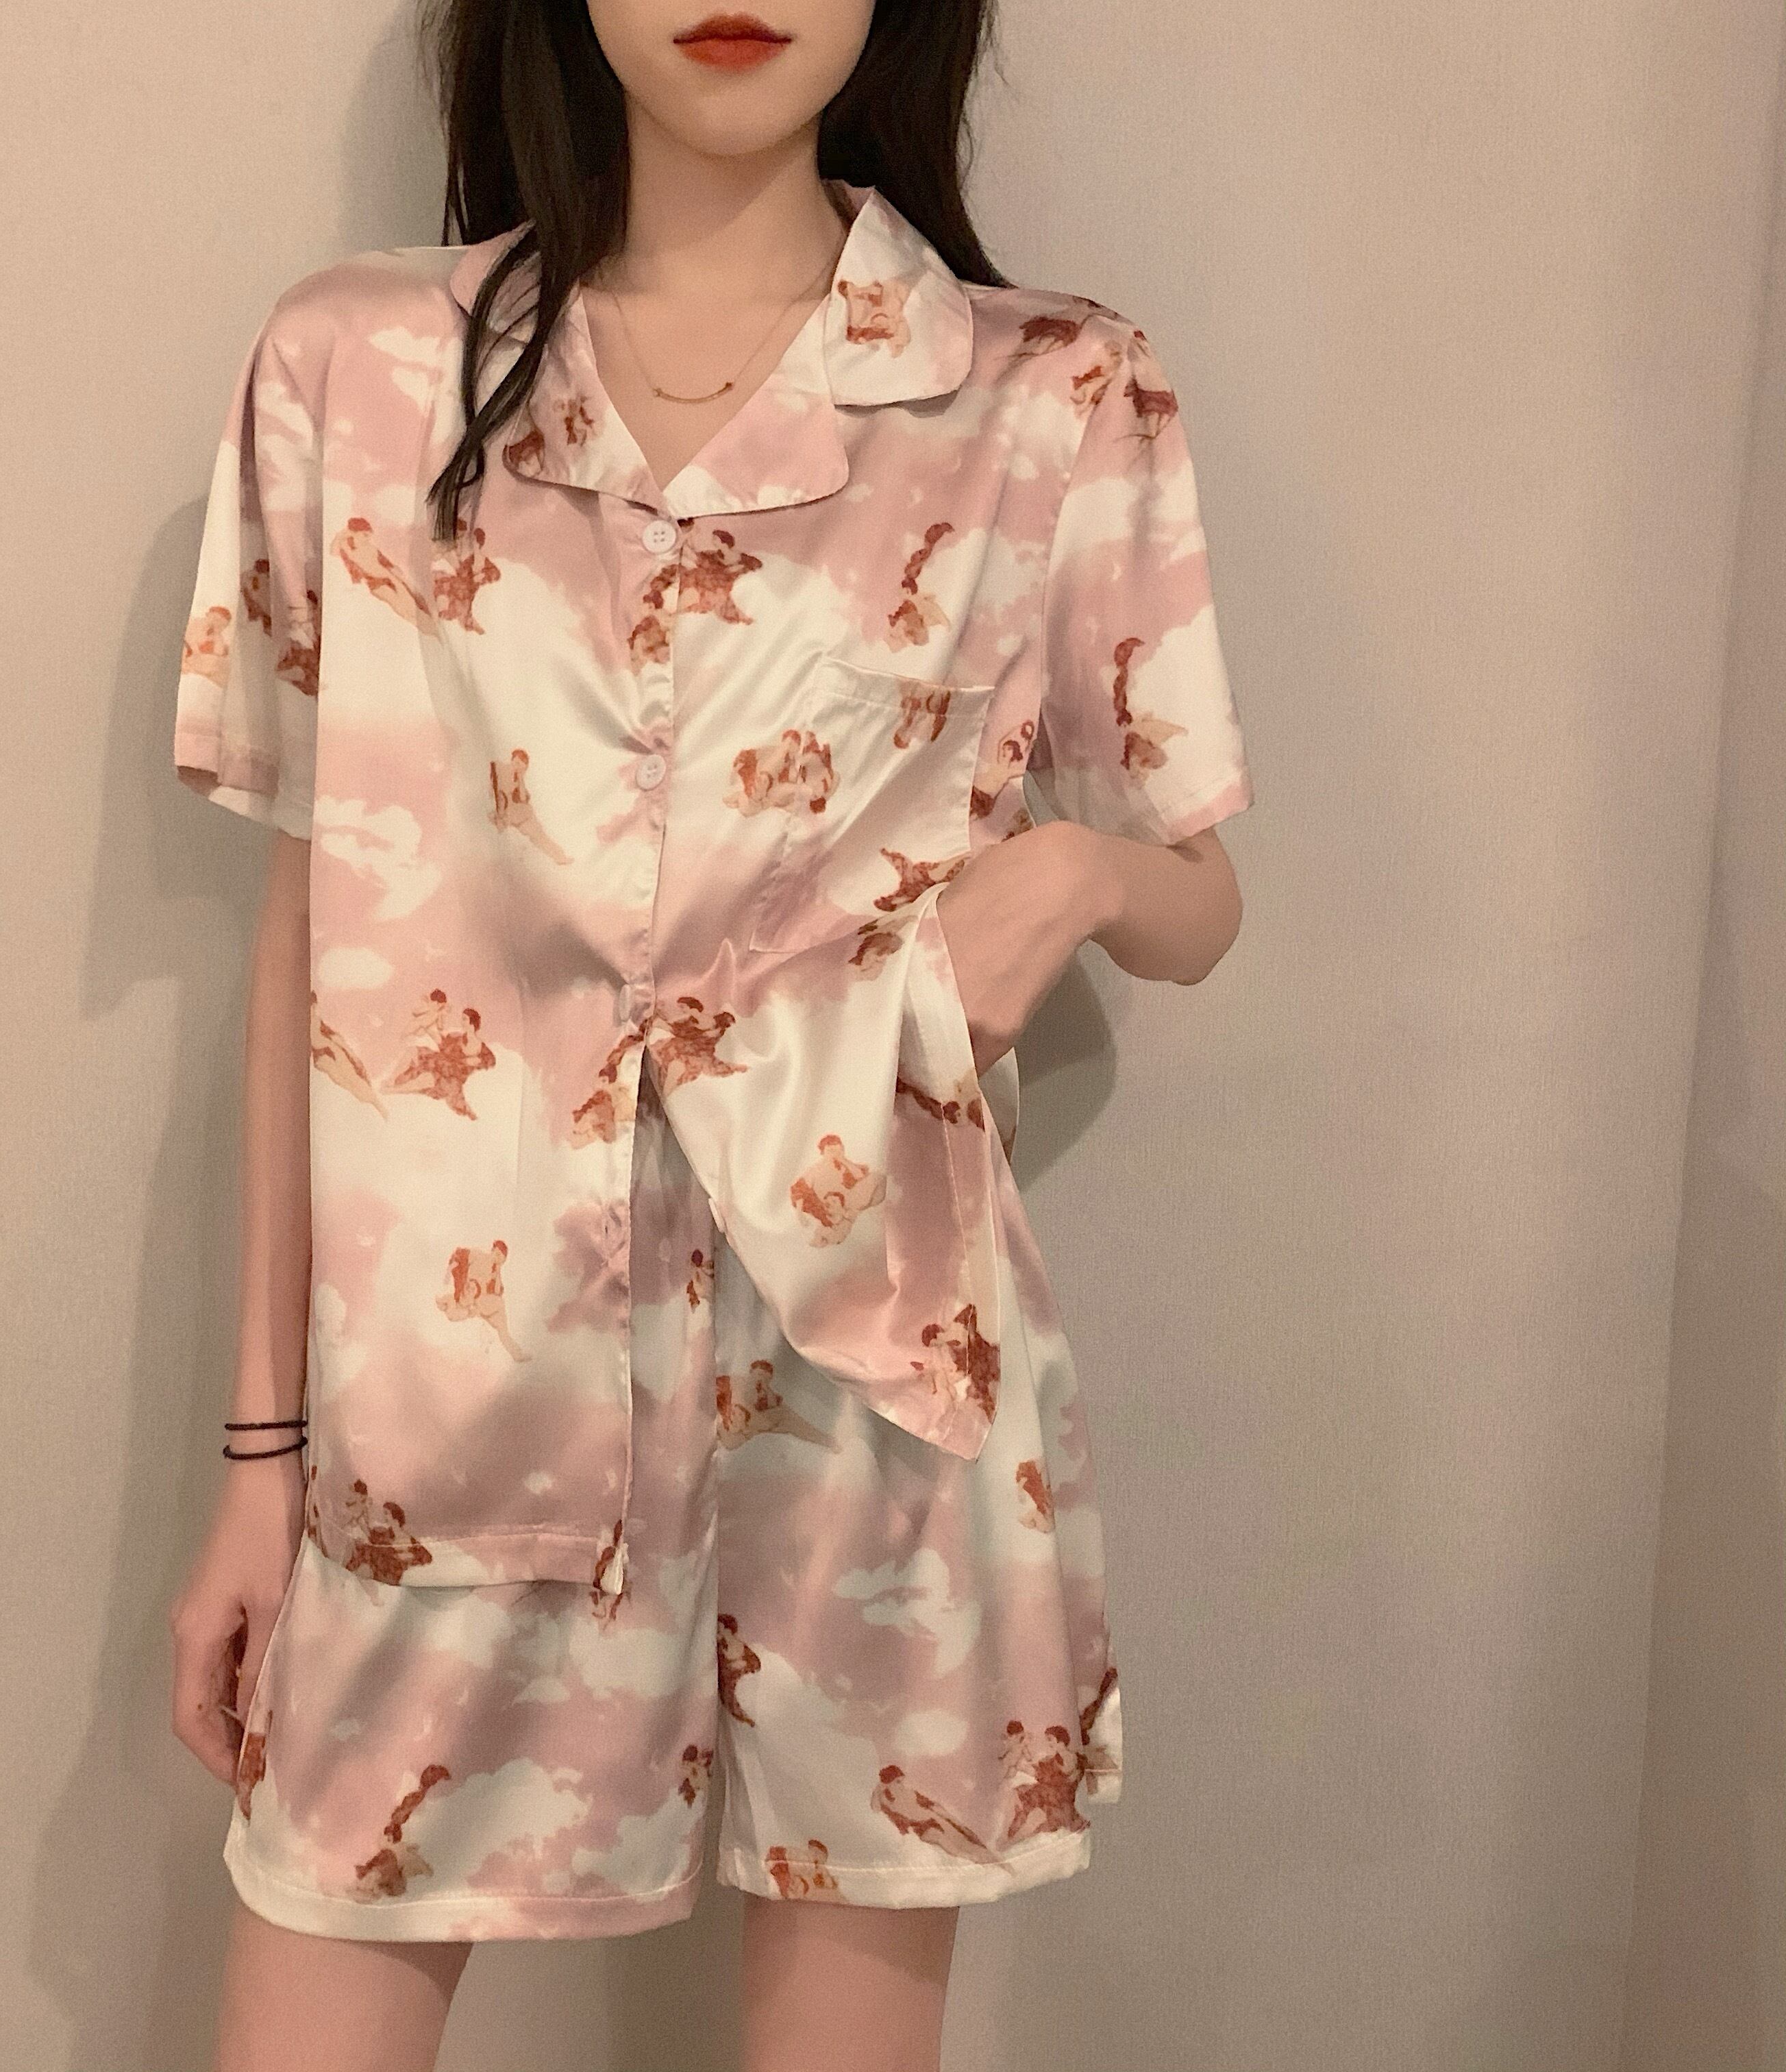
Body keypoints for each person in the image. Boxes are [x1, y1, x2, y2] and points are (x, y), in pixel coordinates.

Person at [165, 1, 1253, 2066]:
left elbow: (1199, 894)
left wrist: (1080, 878)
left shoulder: (1053, 395)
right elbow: (317, 936)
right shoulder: (358, 370)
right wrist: (257, 1465)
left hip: (877, 1417)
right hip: (452, 1404)